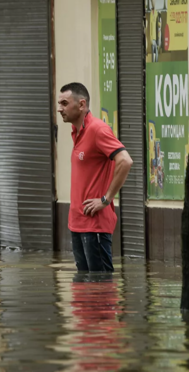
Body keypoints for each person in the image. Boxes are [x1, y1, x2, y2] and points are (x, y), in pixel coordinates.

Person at [58, 82, 133, 273]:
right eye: (59, 104)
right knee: (83, 290)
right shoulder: (77, 132)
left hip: (95, 225)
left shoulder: (98, 129)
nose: (60, 109)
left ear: (81, 104)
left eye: (65, 103)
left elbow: (125, 161)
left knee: (101, 290)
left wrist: (105, 199)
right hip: (77, 224)